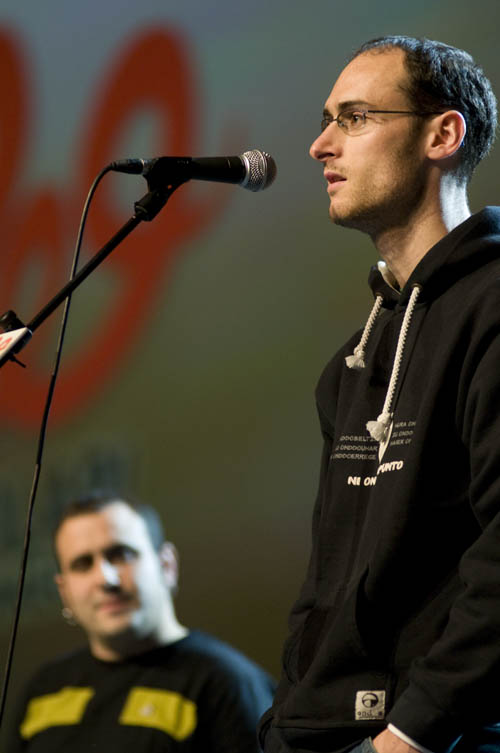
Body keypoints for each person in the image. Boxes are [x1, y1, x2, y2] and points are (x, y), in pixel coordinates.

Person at [258, 35, 500, 753]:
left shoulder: (491, 306)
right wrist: (284, 720)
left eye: (355, 117)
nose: (319, 145)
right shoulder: (352, 362)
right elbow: (328, 578)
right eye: (326, 119)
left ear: (442, 135)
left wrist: (413, 731)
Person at [8, 493, 275, 751]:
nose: (106, 579)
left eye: (121, 554)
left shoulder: (229, 683)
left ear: (167, 566)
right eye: (82, 564)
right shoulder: (43, 689)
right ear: (64, 592)